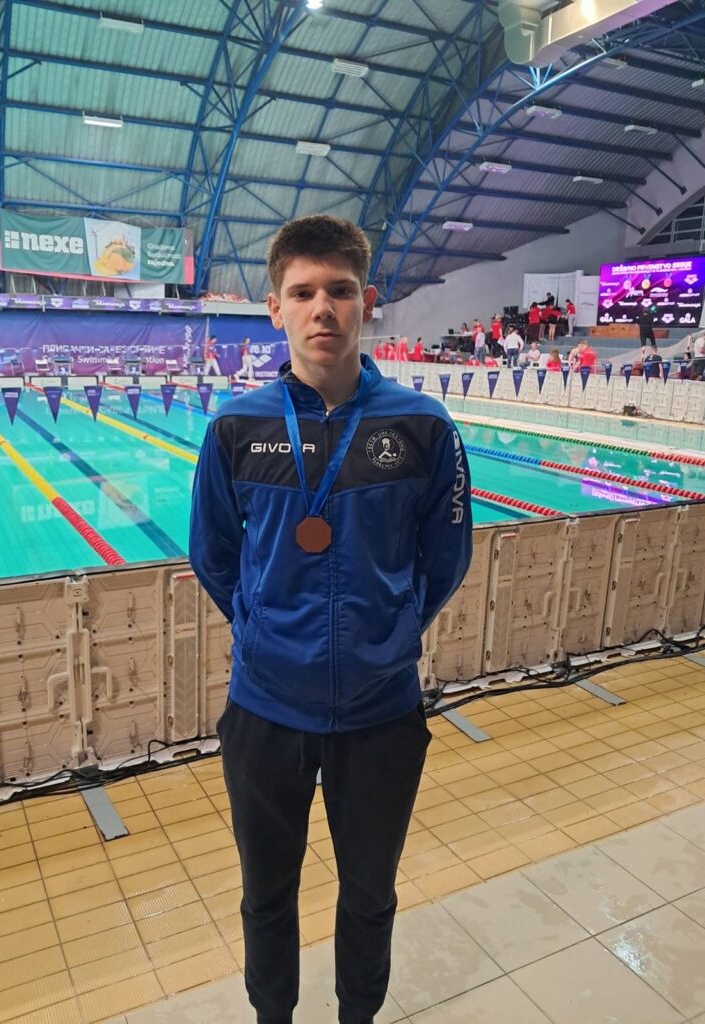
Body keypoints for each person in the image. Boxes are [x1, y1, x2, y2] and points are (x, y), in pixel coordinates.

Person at [189, 214, 473, 1024]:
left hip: (381, 713)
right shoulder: (236, 428)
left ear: (366, 301)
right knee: (265, 896)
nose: (323, 308)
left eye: (340, 291)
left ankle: (358, 1017)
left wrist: (390, 634)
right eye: (303, 292)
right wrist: (263, 634)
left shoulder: (423, 427)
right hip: (265, 709)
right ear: (275, 308)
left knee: (371, 894)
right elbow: (212, 553)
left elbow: (446, 556)